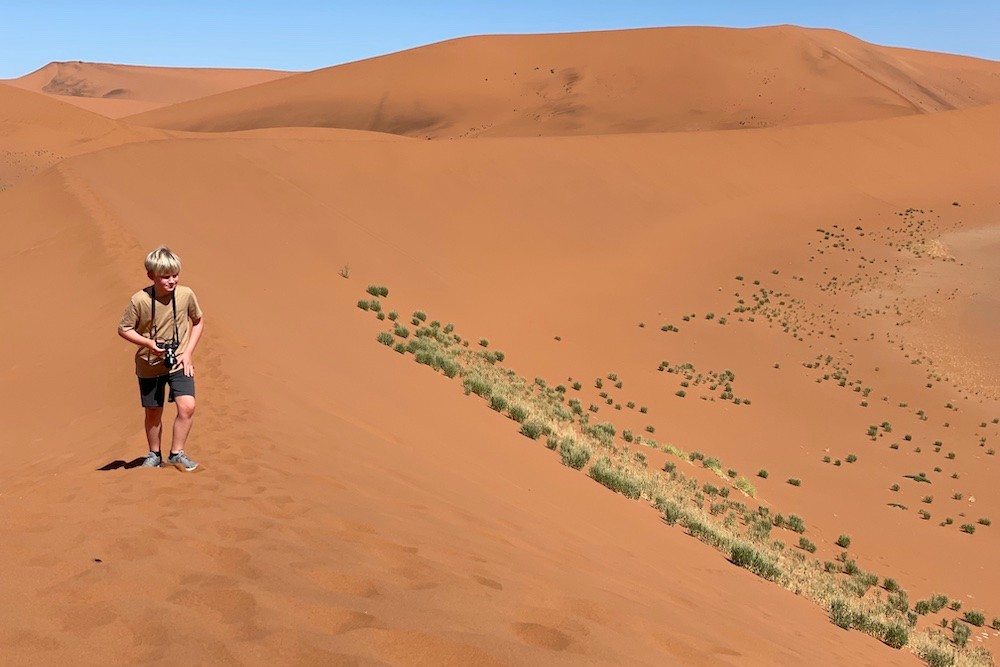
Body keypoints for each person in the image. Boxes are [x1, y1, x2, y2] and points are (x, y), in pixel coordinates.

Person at [117, 246, 204, 471]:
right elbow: (124, 329)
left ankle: (177, 453)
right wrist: (147, 343)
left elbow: (198, 321)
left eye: (175, 275)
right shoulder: (140, 300)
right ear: (151, 276)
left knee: (187, 407)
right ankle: (155, 455)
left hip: (178, 362)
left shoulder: (186, 295)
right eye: (166, 277)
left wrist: (188, 353)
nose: (172, 281)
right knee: (153, 412)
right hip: (149, 365)